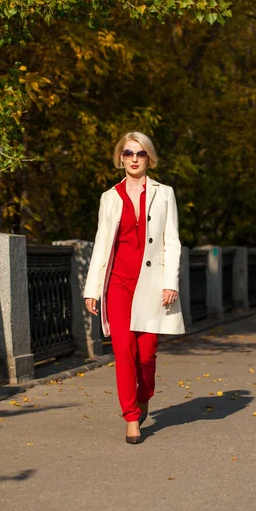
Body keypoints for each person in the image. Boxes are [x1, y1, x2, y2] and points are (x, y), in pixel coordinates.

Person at [84, 131, 185, 444]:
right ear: (120, 158)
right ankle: (131, 417)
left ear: (149, 158)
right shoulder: (109, 197)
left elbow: (172, 240)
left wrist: (171, 283)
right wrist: (92, 289)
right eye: (128, 153)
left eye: (140, 154)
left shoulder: (164, 193)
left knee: (146, 355)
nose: (134, 159)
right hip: (118, 283)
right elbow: (102, 244)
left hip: (152, 284)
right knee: (123, 351)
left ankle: (144, 397)